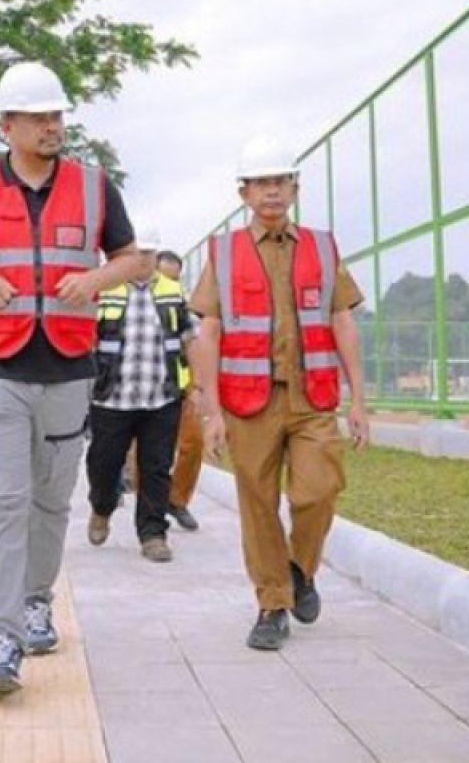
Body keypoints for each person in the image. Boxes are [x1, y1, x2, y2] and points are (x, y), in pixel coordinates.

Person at [0, 61, 143, 693]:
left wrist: (96, 279)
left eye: (57, 115)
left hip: (69, 367)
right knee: (0, 503)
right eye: (40, 117)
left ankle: (36, 599)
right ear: (7, 125)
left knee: (50, 502)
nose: (53, 126)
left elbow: (131, 259)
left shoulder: (97, 188)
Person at [189, 134, 370, 652]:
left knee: (319, 489)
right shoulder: (223, 255)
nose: (272, 191)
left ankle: (299, 569)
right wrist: (211, 410)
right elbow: (210, 334)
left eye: (280, 181)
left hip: (312, 398)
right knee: (259, 504)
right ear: (243, 193)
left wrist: (358, 399)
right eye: (261, 183)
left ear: (294, 188)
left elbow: (341, 321)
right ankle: (272, 605)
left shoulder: (321, 246)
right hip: (248, 403)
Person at [84, 229, 193, 562]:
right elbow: (85, 339)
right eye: (137, 252)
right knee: (104, 464)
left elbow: (192, 339)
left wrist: (198, 386)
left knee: (157, 467)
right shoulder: (103, 289)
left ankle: (153, 534)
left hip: (161, 396)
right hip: (111, 397)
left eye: (149, 253)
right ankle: (102, 507)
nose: (143, 259)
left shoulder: (174, 292)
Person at [156, 249, 204, 532]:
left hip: (183, 384)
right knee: (148, 452)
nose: (170, 285)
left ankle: (178, 500)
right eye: (165, 277)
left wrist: (198, 385)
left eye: (175, 278)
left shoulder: (185, 303)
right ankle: (150, 507)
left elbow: (194, 343)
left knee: (192, 443)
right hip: (149, 387)